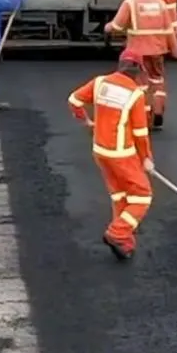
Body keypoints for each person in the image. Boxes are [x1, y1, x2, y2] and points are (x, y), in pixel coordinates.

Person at [68, 52, 155, 261]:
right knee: (142, 196)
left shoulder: (100, 82)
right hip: (121, 153)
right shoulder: (135, 94)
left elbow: (74, 100)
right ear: (138, 70)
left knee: (119, 195)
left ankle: (124, 243)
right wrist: (146, 158)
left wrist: (86, 121)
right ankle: (117, 233)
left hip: (100, 151)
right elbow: (140, 133)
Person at [104, 0, 177, 131]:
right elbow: (169, 30)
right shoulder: (160, 3)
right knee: (157, 81)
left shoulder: (130, 3)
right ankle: (158, 113)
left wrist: (108, 27)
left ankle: (144, 119)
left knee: (141, 85)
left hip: (137, 54)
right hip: (157, 52)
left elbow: (117, 27)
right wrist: (176, 50)